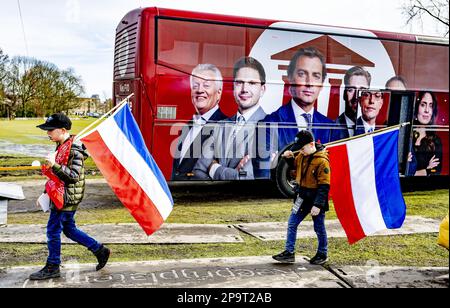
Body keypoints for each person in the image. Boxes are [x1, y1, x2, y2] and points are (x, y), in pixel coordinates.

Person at [30, 113, 110, 280]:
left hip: (66, 197)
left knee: (53, 231)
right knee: (69, 229)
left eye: (51, 130)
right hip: (63, 195)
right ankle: (100, 250)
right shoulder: (61, 145)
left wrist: (54, 165)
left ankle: (53, 266)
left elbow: (73, 176)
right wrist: (45, 193)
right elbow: (57, 176)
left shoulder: (74, 149)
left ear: (63, 130)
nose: (48, 133)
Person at [257, 47, 334, 177]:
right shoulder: (269, 124)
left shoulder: (331, 127)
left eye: (316, 76)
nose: (309, 83)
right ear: (291, 79)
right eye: (302, 74)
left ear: (321, 84)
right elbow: (263, 172)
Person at [194, 57, 267, 180]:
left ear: (262, 89)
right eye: (239, 82)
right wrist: (232, 174)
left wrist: (213, 168)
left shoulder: (268, 127)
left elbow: (246, 178)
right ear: (233, 87)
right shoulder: (221, 125)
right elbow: (198, 171)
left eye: (252, 83)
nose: (244, 89)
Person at [272, 130, 330, 265]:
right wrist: (289, 158)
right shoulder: (302, 155)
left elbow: (324, 186)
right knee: (292, 222)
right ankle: (289, 252)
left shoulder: (322, 161)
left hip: (315, 199)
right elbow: (295, 167)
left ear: (311, 144)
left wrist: (318, 205)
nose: (301, 152)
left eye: (302, 149)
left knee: (319, 228)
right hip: (302, 196)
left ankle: (322, 253)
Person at [171, 63, 227, 180]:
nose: (200, 90)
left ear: (219, 93)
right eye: (195, 86)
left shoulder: (225, 126)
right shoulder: (186, 126)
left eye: (206, 85)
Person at [407, 91, 442, 176]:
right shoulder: (405, 136)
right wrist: (426, 170)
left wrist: (411, 172)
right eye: (423, 104)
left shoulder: (435, 141)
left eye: (430, 106)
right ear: (416, 107)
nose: (427, 110)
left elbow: (435, 172)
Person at [332, 66, 371, 140]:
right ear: (344, 94)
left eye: (362, 90)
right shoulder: (331, 129)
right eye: (351, 90)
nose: (356, 96)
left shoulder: (376, 129)